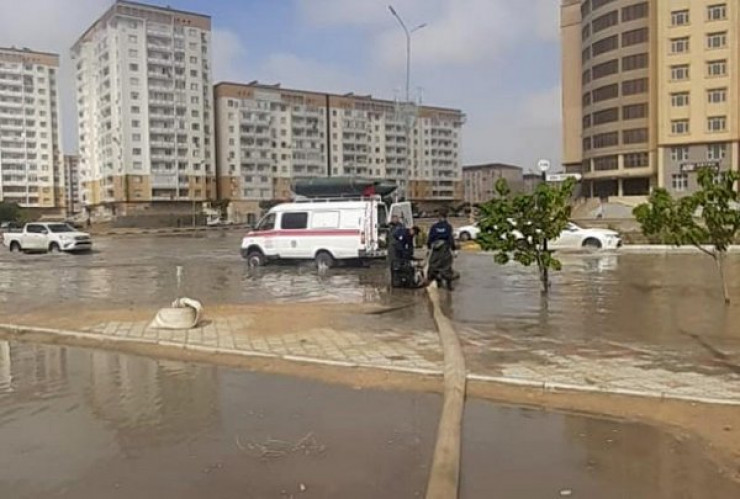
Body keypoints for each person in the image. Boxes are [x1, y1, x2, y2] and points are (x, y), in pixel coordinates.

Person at [426, 210, 456, 290]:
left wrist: (428, 247)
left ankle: (438, 282)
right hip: (444, 248)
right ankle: (448, 285)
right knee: (446, 266)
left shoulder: (434, 226)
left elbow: (430, 238)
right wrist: (454, 249)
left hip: (436, 248)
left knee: (434, 265)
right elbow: (450, 238)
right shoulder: (448, 226)